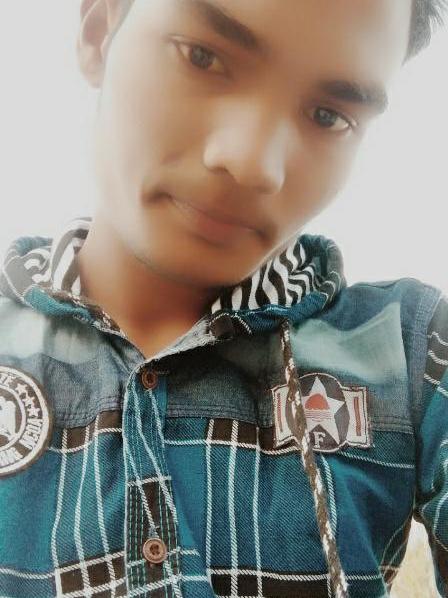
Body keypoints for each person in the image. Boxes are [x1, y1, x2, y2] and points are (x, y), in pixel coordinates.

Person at [0, 0, 446, 596]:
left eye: (328, 115)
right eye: (203, 57)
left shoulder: (414, 355)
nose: (253, 164)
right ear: (99, 30)